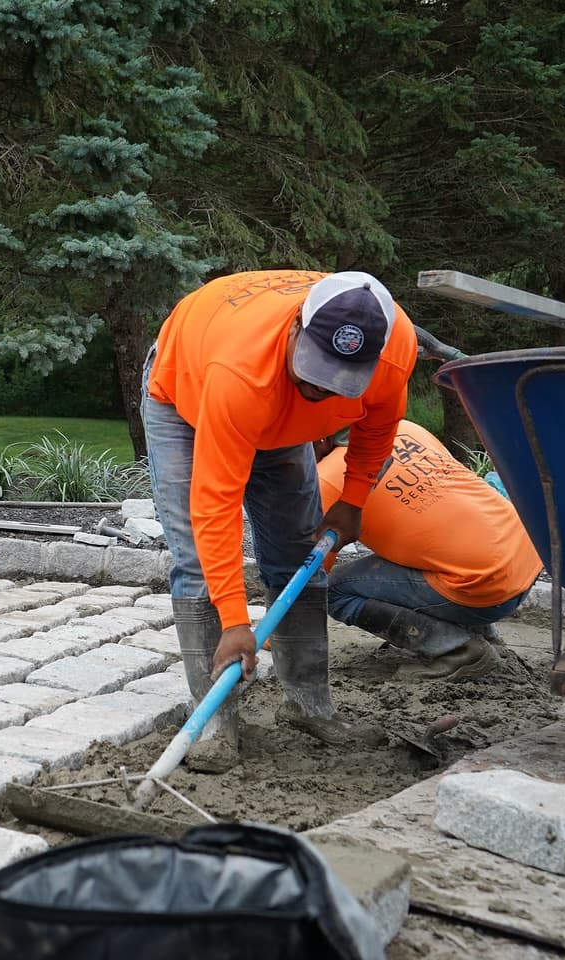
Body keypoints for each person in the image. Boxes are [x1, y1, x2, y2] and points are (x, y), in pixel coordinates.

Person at [142, 270, 418, 772]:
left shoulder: (395, 348)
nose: (320, 389)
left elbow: (379, 426)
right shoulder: (241, 372)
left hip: (272, 411)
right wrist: (234, 621)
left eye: (337, 378)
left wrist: (353, 499)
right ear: (295, 328)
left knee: (299, 555)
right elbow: (215, 506)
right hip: (185, 395)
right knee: (196, 563)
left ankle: (308, 705)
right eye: (314, 370)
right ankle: (215, 721)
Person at [315, 420, 543, 679]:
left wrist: (274, 636)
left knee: (333, 591)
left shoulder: (327, 479)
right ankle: (481, 633)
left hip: (487, 589)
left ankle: (457, 651)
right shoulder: (404, 429)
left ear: (320, 438)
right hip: (527, 555)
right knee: (435, 541)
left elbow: (311, 578)